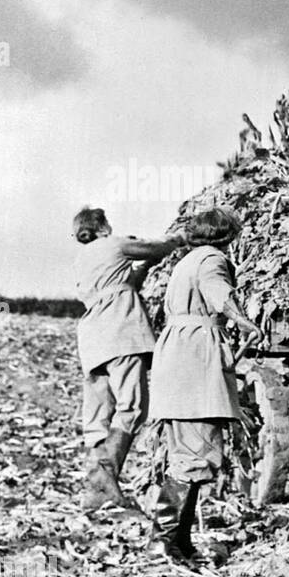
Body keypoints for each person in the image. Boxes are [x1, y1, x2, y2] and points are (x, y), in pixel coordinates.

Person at [146, 208, 262, 564]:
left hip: (178, 351)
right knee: (195, 453)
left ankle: (177, 542)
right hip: (196, 355)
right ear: (225, 236)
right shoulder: (213, 259)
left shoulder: (186, 260)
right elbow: (220, 296)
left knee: (188, 452)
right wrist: (244, 322)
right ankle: (164, 542)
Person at [71, 207, 185, 511]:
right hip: (121, 332)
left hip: (92, 339)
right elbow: (157, 247)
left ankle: (95, 490)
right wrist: (180, 237)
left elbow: (123, 284)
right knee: (133, 407)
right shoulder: (115, 244)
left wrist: (144, 268)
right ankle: (106, 478)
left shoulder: (82, 259)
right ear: (103, 226)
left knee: (97, 414)